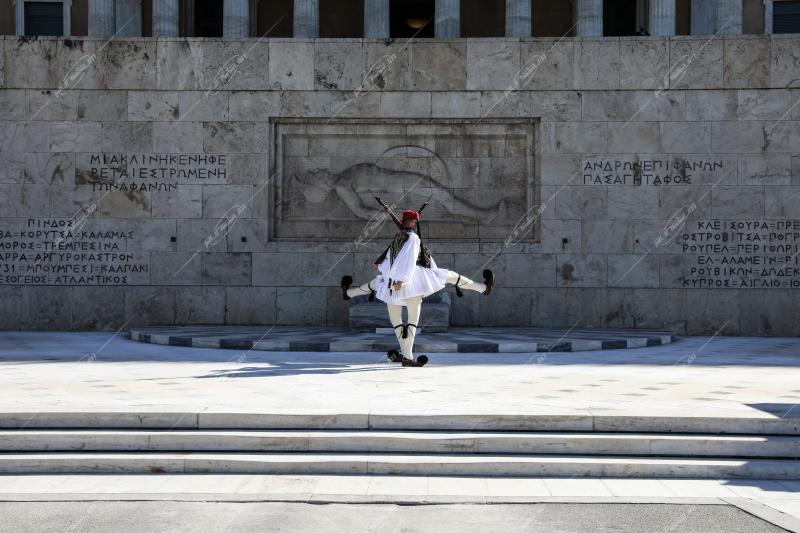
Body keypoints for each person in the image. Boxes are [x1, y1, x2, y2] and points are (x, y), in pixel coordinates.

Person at [341, 209, 494, 367]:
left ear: (404, 221)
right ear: (414, 222)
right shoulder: (412, 238)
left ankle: (404, 352)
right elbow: (408, 260)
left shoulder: (398, 237)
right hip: (409, 282)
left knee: (395, 317)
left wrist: (390, 279)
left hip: (391, 284)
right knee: (447, 280)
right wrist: (402, 281)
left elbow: (388, 262)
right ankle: (407, 357)